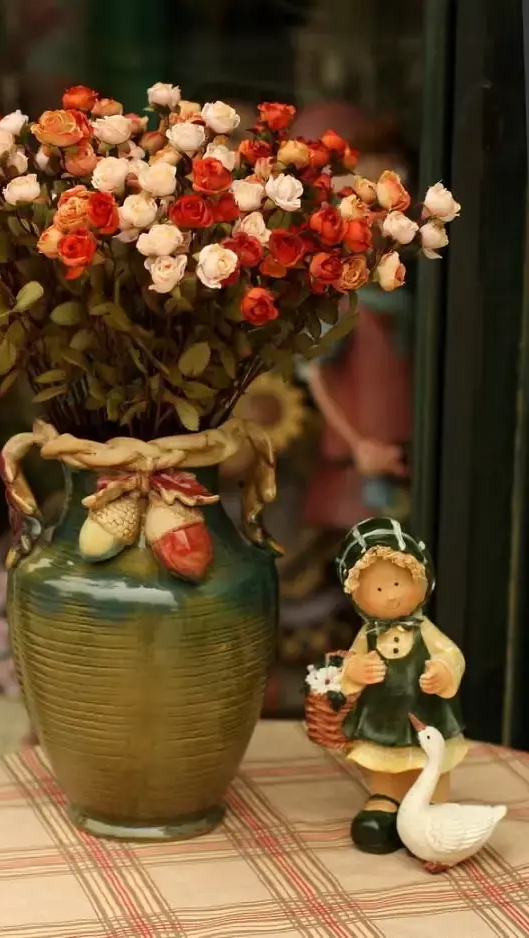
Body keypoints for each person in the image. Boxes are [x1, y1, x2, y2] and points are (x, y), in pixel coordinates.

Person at [295, 102, 415, 529]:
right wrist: (359, 443)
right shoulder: (345, 297)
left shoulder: (399, 283)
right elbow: (314, 371)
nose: (381, 216)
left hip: (407, 446)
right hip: (361, 462)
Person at [336, 518, 467, 854]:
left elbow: (452, 654)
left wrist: (443, 672)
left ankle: (434, 808)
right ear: (357, 594)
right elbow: (348, 663)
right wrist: (356, 670)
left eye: (398, 583)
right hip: (384, 718)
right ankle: (386, 802)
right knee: (386, 763)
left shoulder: (425, 630)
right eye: (379, 589)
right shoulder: (368, 635)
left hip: (427, 713)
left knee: (432, 761)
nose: (392, 596)